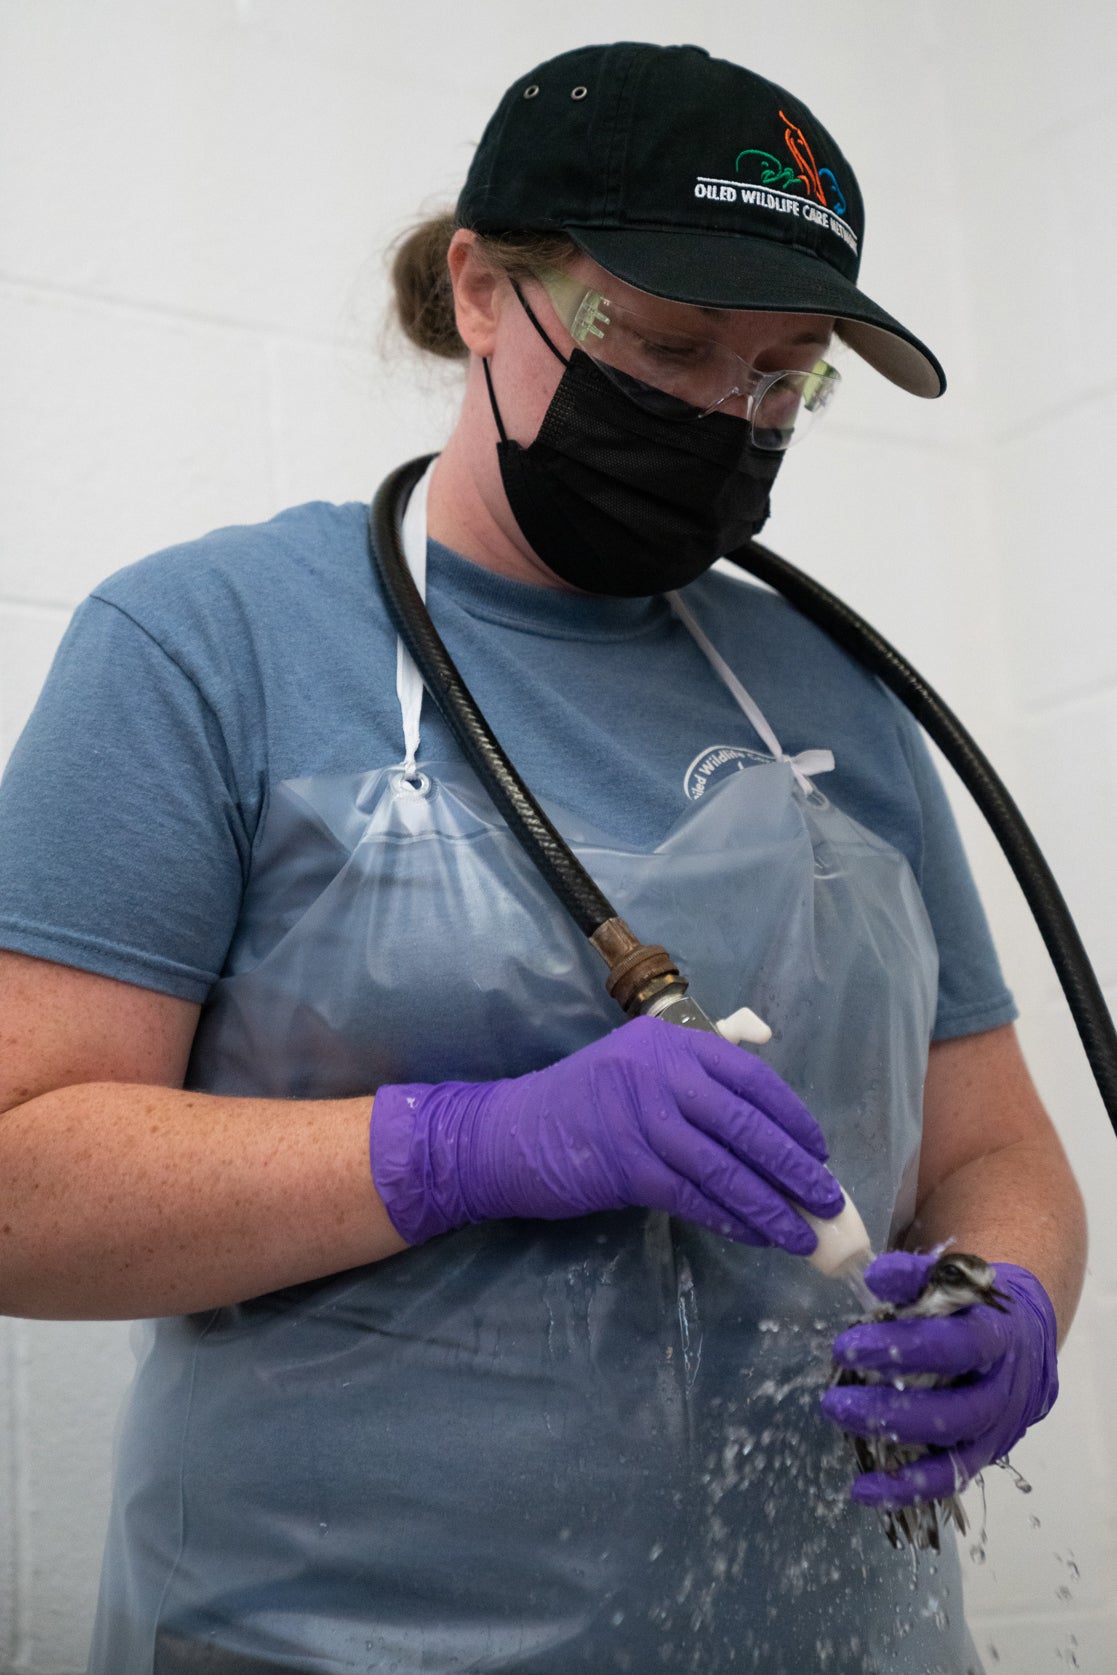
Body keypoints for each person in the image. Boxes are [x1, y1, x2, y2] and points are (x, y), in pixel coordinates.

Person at [0, 40, 1084, 1675]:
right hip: (328, 1640)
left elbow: (995, 1153)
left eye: (787, 376)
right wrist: (464, 1147)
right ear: (480, 290)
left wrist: (1002, 1305)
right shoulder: (209, 642)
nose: (732, 416)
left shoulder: (835, 698)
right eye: (667, 343)